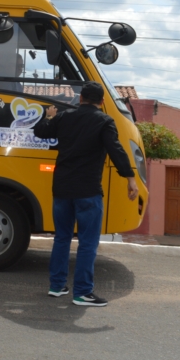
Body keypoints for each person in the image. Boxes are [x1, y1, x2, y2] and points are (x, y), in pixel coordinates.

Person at [33, 81, 138, 307]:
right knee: (87, 243)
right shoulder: (104, 121)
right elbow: (116, 150)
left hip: (62, 189)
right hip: (87, 191)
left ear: (80, 98)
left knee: (62, 238)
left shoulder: (64, 117)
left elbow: (40, 132)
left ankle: (57, 286)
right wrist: (130, 177)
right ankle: (82, 293)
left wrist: (48, 116)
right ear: (102, 101)